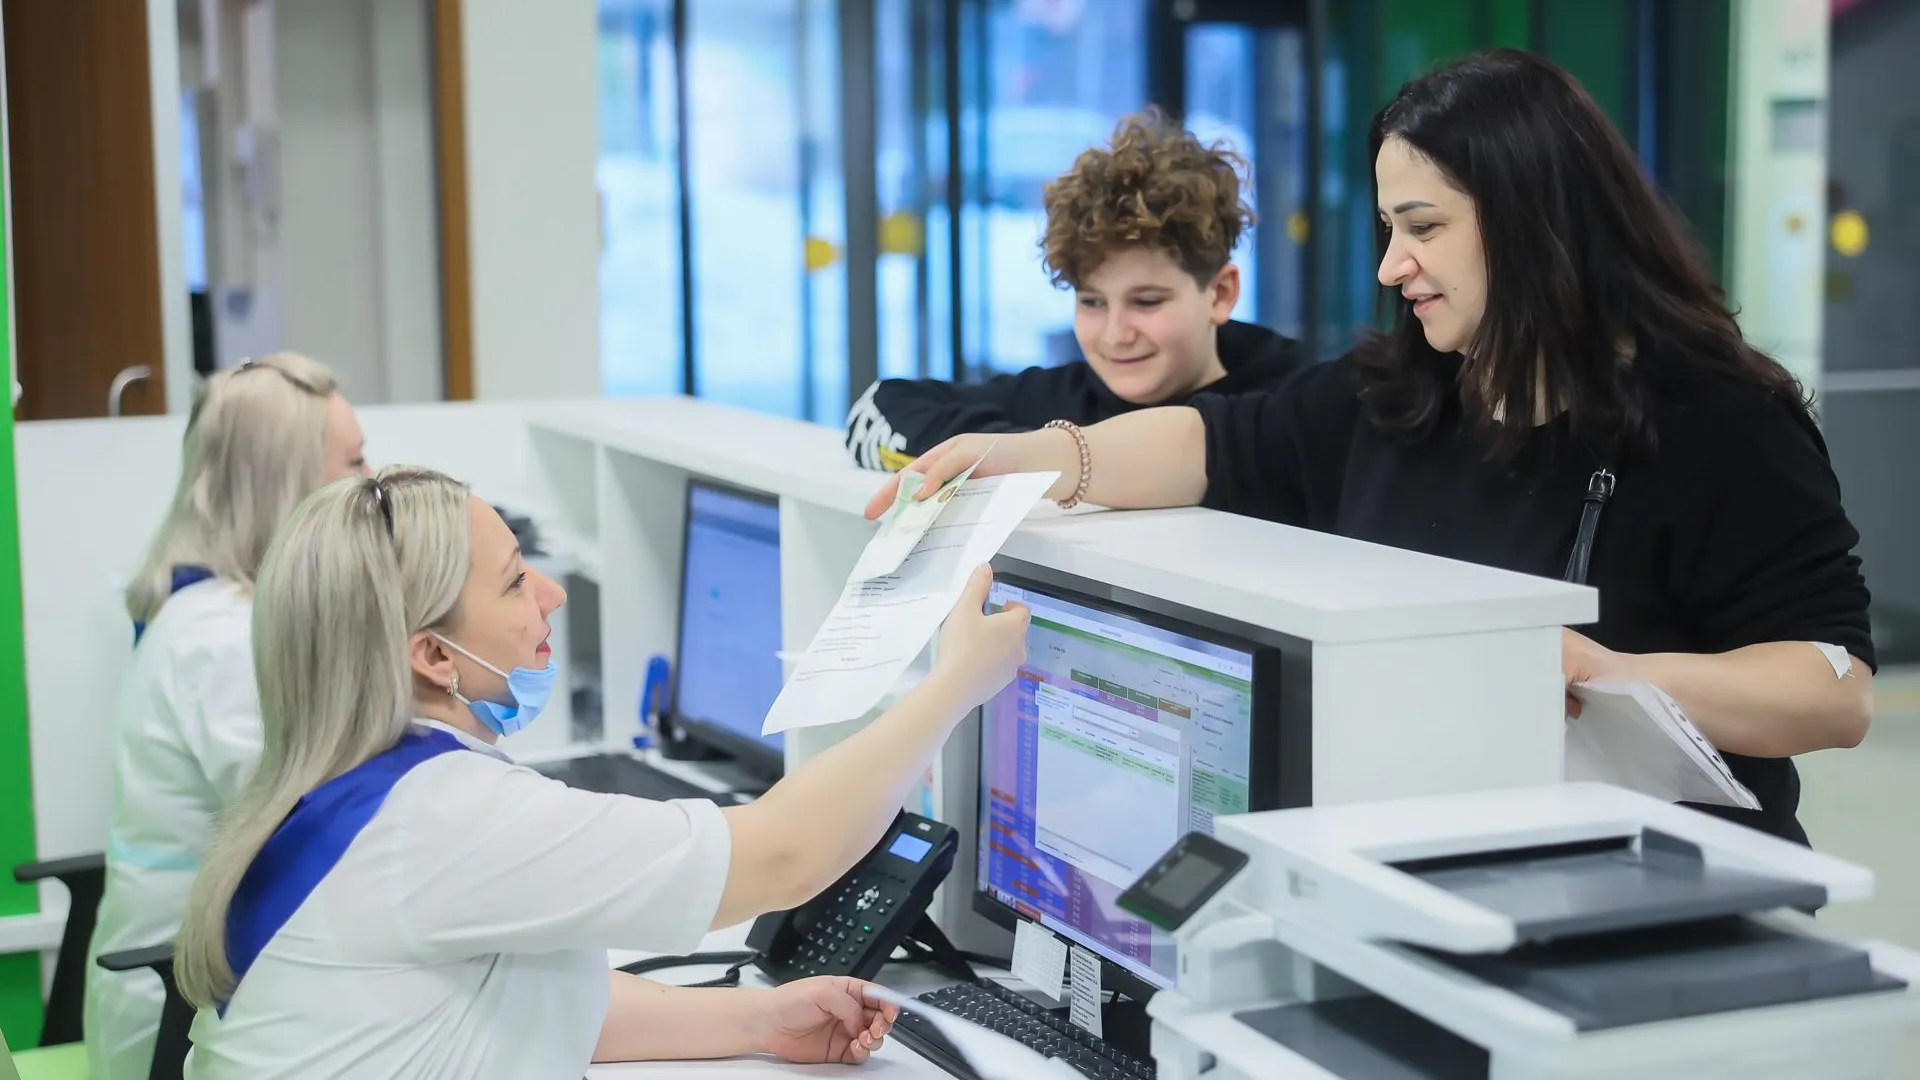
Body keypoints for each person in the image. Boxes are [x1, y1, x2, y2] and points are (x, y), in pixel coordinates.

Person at [865, 48, 1876, 846]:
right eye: (1390, 227)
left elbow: (1831, 694)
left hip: (1657, 892)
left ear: (1534, 219)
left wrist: (1596, 672)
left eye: (1423, 227)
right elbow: (1208, 445)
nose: (1395, 264)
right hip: (1432, 861)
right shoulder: (1392, 394)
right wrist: (1030, 457)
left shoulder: (1720, 417)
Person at [172, 466, 1029, 1078]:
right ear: (432, 654)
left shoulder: (337, 783)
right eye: (512, 583)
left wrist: (759, 1019)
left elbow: (528, 997)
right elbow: (783, 857)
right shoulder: (440, 816)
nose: (550, 594)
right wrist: (956, 684)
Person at [87, 353, 370, 1080]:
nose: (373, 488)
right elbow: (311, 828)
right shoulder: (223, 639)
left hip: (219, 988)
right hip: (182, 1020)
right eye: (355, 462)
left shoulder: (213, 610)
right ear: (290, 487)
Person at [844, 109, 1308, 471]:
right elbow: (877, 409)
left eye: (1147, 302)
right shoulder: (1062, 397)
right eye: (1091, 302)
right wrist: (1025, 453)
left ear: (1221, 293)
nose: (1115, 334)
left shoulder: (1297, 403)